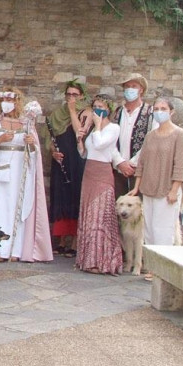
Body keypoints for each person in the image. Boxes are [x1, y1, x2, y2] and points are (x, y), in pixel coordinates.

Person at [0, 87, 53, 263]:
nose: (8, 104)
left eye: (11, 101)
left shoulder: (26, 124)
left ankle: (16, 249)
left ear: (17, 102)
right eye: (4, 101)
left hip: (20, 172)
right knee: (0, 207)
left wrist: (30, 144)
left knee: (18, 208)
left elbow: (35, 152)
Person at [128, 96, 183, 247]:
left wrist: (174, 190)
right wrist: (136, 188)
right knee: (149, 232)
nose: (159, 112)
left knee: (163, 231)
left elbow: (181, 166)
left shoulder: (179, 135)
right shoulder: (150, 136)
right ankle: (150, 268)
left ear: (171, 112)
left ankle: (162, 270)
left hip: (167, 189)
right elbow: (142, 163)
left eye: (163, 109)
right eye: (156, 109)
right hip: (148, 189)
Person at [75, 94, 122, 275]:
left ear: (108, 108)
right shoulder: (94, 129)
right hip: (89, 173)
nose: (97, 109)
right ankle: (87, 259)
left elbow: (101, 144)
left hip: (102, 174)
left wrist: (97, 127)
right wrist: (80, 140)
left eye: (101, 106)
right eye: (95, 106)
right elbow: (85, 153)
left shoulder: (113, 128)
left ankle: (100, 261)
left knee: (99, 216)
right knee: (89, 214)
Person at [46, 80, 91, 257]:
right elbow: (50, 138)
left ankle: (74, 242)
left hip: (77, 160)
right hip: (61, 161)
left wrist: (73, 110)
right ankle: (61, 240)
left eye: (75, 95)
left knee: (75, 196)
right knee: (61, 197)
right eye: (69, 95)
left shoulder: (86, 112)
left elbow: (79, 132)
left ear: (81, 96)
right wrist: (53, 152)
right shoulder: (57, 114)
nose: (71, 98)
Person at [112, 73, 155, 198]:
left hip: (140, 172)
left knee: (139, 209)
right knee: (119, 209)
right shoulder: (117, 112)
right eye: (127, 86)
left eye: (134, 86)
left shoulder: (151, 112)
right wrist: (120, 162)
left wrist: (132, 163)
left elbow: (151, 141)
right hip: (118, 170)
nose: (130, 89)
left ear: (141, 89)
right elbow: (111, 140)